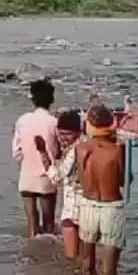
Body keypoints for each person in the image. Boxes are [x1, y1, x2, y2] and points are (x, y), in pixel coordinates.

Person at [76, 105, 128, 275]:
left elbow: (80, 178)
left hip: (87, 204)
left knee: (86, 265)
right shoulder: (118, 149)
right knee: (109, 270)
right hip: (111, 206)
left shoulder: (81, 148)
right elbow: (124, 180)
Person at [12, 79, 60, 237]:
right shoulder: (54, 122)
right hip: (47, 176)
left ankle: (31, 249)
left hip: (27, 175)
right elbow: (59, 151)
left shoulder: (22, 120)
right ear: (51, 100)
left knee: (31, 222)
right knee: (48, 224)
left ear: (32, 99)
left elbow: (16, 152)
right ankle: (47, 255)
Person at [41, 110, 85, 262]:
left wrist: (43, 154)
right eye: (60, 134)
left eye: (67, 134)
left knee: (71, 259)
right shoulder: (86, 144)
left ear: (78, 132)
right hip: (87, 207)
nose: (62, 138)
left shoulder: (75, 150)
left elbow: (57, 177)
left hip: (73, 209)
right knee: (85, 256)